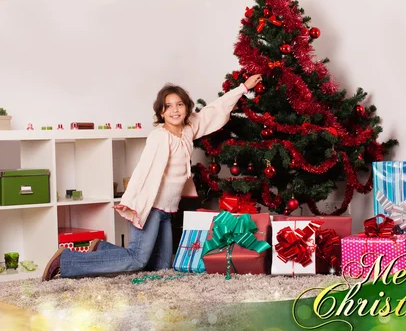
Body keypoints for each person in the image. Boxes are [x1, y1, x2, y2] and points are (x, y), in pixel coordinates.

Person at [42, 74, 263, 281]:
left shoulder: (187, 130)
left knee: (163, 268)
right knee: (137, 259)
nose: (174, 110)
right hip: (150, 208)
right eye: (168, 107)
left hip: (167, 211)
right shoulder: (160, 137)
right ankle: (67, 260)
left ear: (186, 108)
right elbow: (143, 172)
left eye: (179, 105)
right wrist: (132, 205)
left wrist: (243, 88)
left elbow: (212, 111)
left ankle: (101, 249)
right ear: (161, 112)